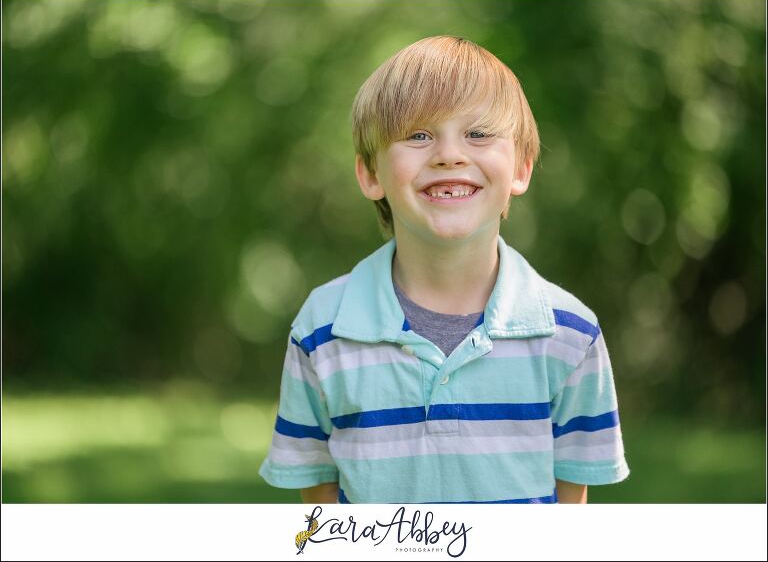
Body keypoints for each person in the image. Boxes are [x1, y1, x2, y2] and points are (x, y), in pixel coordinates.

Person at [258, 35, 629, 504]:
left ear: (521, 168)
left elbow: (569, 510)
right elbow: (319, 503)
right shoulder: (323, 328)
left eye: (477, 134)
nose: (449, 154)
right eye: (418, 135)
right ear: (371, 174)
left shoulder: (571, 335)